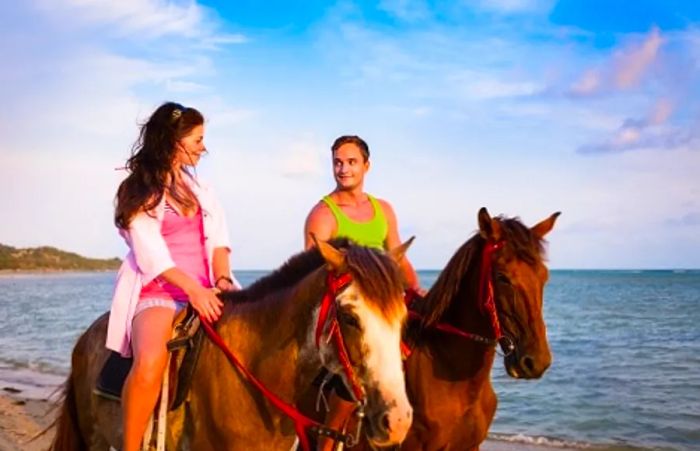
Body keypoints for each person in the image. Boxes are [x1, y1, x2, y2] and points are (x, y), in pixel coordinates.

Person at [105, 102, 240, 451]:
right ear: (173, 140)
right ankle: (131, 447)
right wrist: (193, 291)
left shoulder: (204, 190)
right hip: (160, 290)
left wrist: (223, 281)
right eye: (197, 140)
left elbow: (220, 242)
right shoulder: (138, 190)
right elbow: (150, 254)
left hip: (207, 288)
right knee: (150, 361)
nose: (203, 148)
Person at [304, 135, 424, 451]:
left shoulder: (382, 209)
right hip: (348, 305)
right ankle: (328, 441)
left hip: (384, 302)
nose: (343, 169)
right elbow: (311, 271)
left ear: (366, 166)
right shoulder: (323, 213)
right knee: (354, 366)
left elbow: (397, 256)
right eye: (338, 162)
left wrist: (418, 290)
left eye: (351, 162)